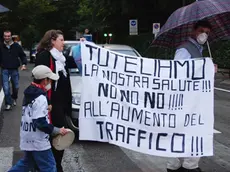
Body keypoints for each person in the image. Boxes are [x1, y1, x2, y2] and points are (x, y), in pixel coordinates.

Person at [167, 20, 213, 172]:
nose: (204, 35)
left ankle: (187, 164)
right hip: (185, 99)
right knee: (182, 131)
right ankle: (178, 165)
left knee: (192, 130)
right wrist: (203, 69)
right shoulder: (185, 50)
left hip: (194, 99)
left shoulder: (198, 49)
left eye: (207, 32)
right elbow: (178, 72)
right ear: (194, 31)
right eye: (201, 31)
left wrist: (208, 68)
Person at [8, 65, 68, 172]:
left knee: (26, 163)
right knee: (50, 166)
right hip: (38, 141)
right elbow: (39, 123)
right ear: (45, 80)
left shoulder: (29, 93)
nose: (51, 83)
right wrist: (57, 130)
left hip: (27, 136)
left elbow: (32, 113)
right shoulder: (41, 98)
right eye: (50, 80)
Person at [35, 29, 77, 172]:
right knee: (56, 135)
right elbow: (40, 80)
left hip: (61, 105)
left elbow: (76, 62)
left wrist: (84, 47)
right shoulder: (45, 56)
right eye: (61, 40)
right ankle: (53, 166)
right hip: (51, 104)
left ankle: (53, 165)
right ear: (52, 40)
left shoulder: (61, 58)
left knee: (59, 136)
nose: (63, 43)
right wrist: (46, 102)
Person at [0, 30, 27, 110]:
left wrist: (24, 64)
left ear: (11, 36)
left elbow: (22, 55)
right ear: (3, 37)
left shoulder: (16, 46)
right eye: (5, 36)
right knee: (6, 88)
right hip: (4, 69)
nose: (7, 38)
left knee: (16, 86)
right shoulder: (1, 46)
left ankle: (14, 97)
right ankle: (8, 103)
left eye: (8, 36)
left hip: (14, 69)